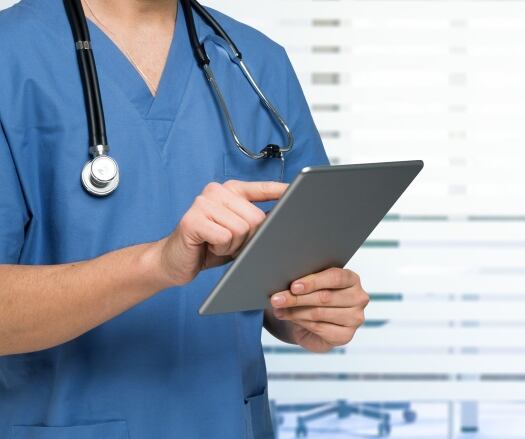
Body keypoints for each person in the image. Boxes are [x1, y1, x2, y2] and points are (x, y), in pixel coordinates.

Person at [0, 0, 370, 437]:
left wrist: (314, 310)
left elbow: (288, 281)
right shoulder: (13, 54)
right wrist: (157, 264)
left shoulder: (256, 61)